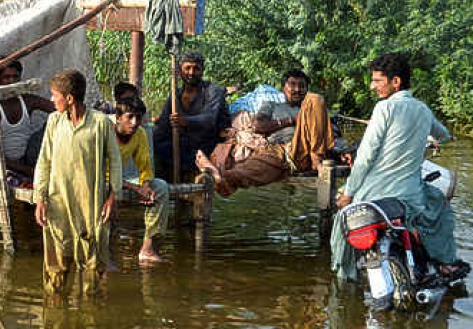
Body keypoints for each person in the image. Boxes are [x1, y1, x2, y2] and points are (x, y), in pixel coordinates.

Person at [330, 53, 459, 281]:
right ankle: (445, 263)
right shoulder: (422, 110)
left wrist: (348, 194)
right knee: (441, 208)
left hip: (376, 194)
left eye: (378, 80)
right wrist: (431, 139)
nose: (372, 86)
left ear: (395, 82)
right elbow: (444, 135)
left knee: (341, 219)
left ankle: (345, 279)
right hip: (410, 198)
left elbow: (365, 158)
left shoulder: (384, 108)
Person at [34, 70, 122, 296]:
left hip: (90, 205)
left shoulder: (100, 123)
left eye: (55, 95)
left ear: (70, 98)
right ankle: (55, 318)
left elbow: (115, 161)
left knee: (92, 264)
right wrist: (40, 198)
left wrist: (113, 197)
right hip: (58, 202)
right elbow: (44, 160)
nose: (52, 100)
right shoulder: (54, 121)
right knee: (56, 264)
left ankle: (89, 323)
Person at [195, 68, 333, 196]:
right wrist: (291, 120)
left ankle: (316, 158)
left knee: (316, 99)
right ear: (284, 88)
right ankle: (217, 176)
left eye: (302, 86)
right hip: (281, 152)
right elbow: (258, 125)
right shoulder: (272, 105)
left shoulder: (313, 108)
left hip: (307, 150)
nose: (297, 89)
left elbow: (331, 133)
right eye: (292, 85)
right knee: (245, 172)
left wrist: (344, 153)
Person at [152, 51, 230, 179]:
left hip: (207, 142)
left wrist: (185, 121)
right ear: (179, 70)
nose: (191, 73)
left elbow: (210, 118)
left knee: (186, 149)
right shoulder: (175, 95)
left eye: (196, 69)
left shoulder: (213, 91)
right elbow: (164, 124)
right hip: (183, 142)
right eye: (187, 68)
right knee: (156, 141)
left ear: (202, 71)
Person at [113, 98, 171, 262]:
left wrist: (145, 186)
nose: (134, 122)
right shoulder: (106, 132)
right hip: (98, 178)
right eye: (129, 117)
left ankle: (148, 248)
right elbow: (104, 173)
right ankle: (105, 249)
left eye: (138, 118)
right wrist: (135, 188)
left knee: (160, 187)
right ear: (118, 117)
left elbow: (144, 165)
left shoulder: (140, 134)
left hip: (121, 180)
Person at [0, 61, 54, 180]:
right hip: (4, 164)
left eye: (15, 77)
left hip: (28, 158)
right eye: (6, 77)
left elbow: (59, 109)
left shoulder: (27, 100)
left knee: (53, 123)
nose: (12, 81)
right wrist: (29, 171)